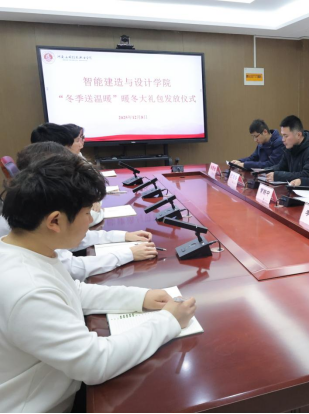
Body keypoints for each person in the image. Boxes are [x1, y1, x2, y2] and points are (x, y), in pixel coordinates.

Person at [0, 154, 197, 413]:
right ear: (55, 221)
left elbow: (72, 291)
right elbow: (96, 364)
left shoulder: (26, 250)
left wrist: (140, 298)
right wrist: (169, 321)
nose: (91, 219)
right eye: (86, 213)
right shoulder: (29, 289)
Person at [0, 143, 159, 282]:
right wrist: (127, 254)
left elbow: (76, 236)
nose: (89, 220)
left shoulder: (36, 215)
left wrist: (123, 236)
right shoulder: (29, 279)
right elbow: (73, 268)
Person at [30, 123, 104, 226]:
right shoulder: (54, 178)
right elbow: (81, 221)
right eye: (67, 146)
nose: (68, 152)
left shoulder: (34, 169)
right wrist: (98, 210)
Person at [266, 115, 309, 183]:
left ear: (298, 135)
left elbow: (306, 176)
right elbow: (281, 167)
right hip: (295, 187)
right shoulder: (290, 148)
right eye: (282, 136)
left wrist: (278, 176)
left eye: (286, 136)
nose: (283, 139)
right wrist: (263, 171)